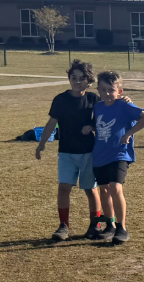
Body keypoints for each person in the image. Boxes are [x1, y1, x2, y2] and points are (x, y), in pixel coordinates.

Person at [36, 60, 106, 241]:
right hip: (66, 152)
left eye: (82, 78)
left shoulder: (93, 99)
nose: (77, 82)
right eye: (73, 78)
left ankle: (95, 225)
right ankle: (63, 226)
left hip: (89, 152)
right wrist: (42, 143)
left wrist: (91, 126)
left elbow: (103, 120)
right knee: (64, 188)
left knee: (91, 189)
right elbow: (52, 123)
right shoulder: (60, 100)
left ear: (89, 81)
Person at [83, 71, 144, 245]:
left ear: (119, 91)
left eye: (111, 90)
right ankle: (110, 225)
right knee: (104, 191)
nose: (107, 93)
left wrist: (129, 134)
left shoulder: (124, 105)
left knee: (115, 187)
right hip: (100, 155)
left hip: (119, 154)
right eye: (103, 89)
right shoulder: (98, 107)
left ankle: (122, 228)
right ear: (98, 90)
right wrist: (91, 127)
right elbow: (100, 125)